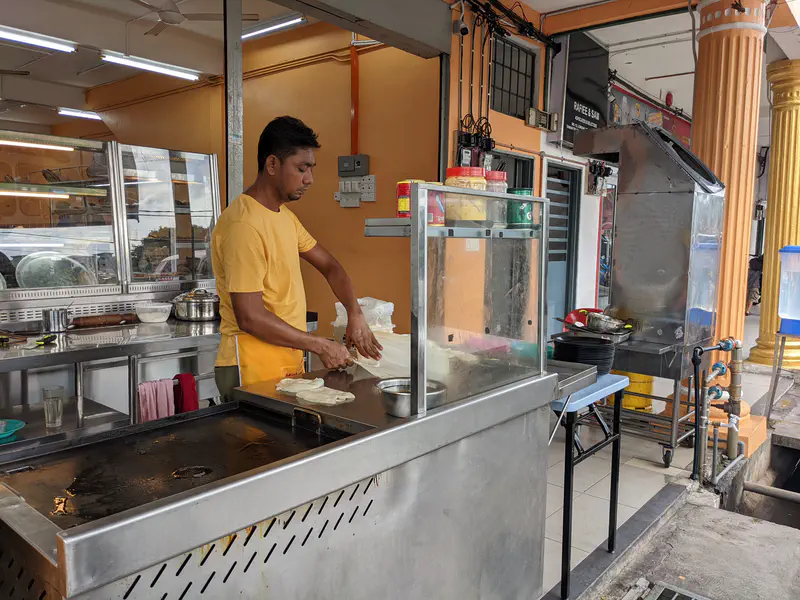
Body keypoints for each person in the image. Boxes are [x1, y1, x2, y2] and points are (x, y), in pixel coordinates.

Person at [212, 116, 382, 401]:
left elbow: (330, 266)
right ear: (272, 164)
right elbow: (250, 316)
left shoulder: (285, 218)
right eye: (301, 168)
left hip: (285, 361)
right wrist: (319, 345)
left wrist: (355, 313)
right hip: (251, 367)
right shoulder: (244, 226)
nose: (309, 179)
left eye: (310, 169)